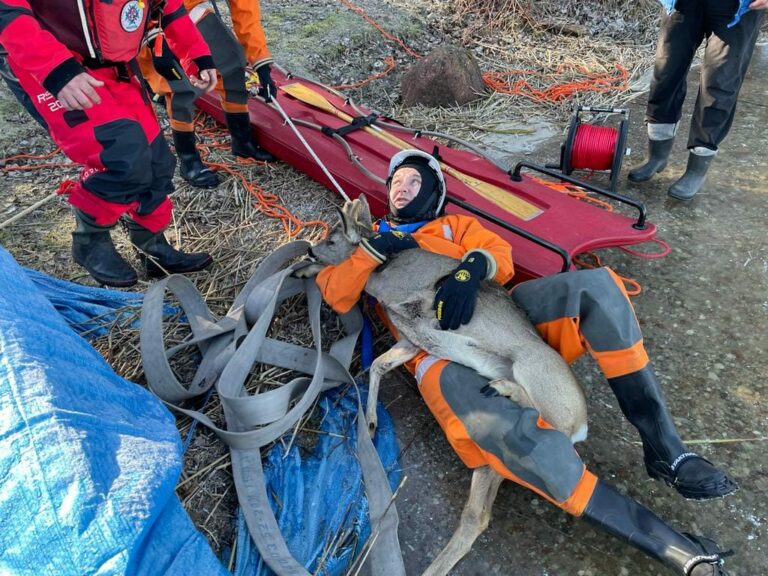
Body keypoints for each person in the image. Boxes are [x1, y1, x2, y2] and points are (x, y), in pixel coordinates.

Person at [316, 149, 737, 575]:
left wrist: (469, 269)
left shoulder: (453, 226)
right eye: (395, 183)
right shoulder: (371, 241)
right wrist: (373, 249)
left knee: (598, 288)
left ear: (433, 191)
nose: (401, 189)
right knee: (513, 432)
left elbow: (498, 254)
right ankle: (677, 550)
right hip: (437, 351)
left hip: (503, 315)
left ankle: (665, 447)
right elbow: (336, 292)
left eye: (412, 182)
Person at [0, 0, 218, 288]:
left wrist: (198, 56)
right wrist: (56, 70)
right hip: (52, 65)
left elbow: (168, 7)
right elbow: (7, 12)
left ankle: (152, 246)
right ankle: (90, 241)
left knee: (157, 159)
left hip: (114, 63)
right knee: (119, 154)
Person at [629, 0, 766, 200]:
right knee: (666, 71)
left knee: (719, 82)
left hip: (737, 7)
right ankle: (657, 156)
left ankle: (697, 167)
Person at [139, 0, 276, 189]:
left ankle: (242, 142)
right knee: (178, 86)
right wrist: (153, 36)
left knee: (233, 61)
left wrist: (261, 63)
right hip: (150, 19)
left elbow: (246, 13)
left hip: (190, 9)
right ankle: (189, 162)